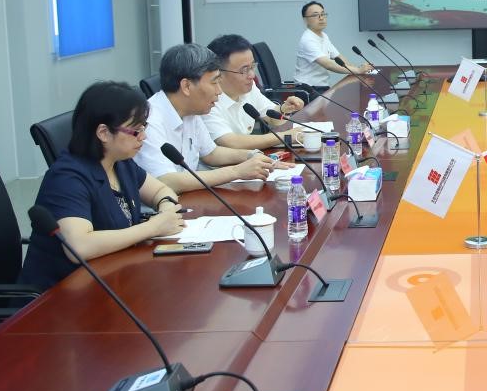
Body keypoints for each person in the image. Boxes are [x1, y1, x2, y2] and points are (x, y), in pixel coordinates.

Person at [19, 82, 186, 290]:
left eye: (144, 127)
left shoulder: (119, 162)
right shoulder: (67, 178)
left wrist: (166, 209)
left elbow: (161, 190)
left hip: (111, 278)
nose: (143, 136)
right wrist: (153, 227)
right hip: (62, 293)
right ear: (104, 133)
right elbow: (78, 247)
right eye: (136, 131)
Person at [135, 43, 281, 193]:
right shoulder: (149, 121)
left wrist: (252, 155)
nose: (219, 91)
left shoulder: (190, 110)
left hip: (191, 197)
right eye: (214, 82)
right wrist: (236, 172)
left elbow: (211, 153)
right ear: (186, 86)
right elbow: (166, 180)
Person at [204, 34, 306, 150]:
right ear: (219, 73)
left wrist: (284, 109)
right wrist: (285, 137)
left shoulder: (248, 87)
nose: (252, 75)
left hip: (245, 157)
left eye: (252, 67)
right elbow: (230, 142)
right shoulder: (207, 101)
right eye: (244, 70)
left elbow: (271, 118)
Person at [294, 1, 371, 92]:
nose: (321, 18)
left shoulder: (324, 36)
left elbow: (339, 58)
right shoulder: (307, 40)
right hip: (307, 89)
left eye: (323, 14)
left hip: (321, 87)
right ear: (305, 20)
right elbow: (328, 64)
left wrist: (357, 69)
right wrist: (357, 70)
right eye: (315, 15)